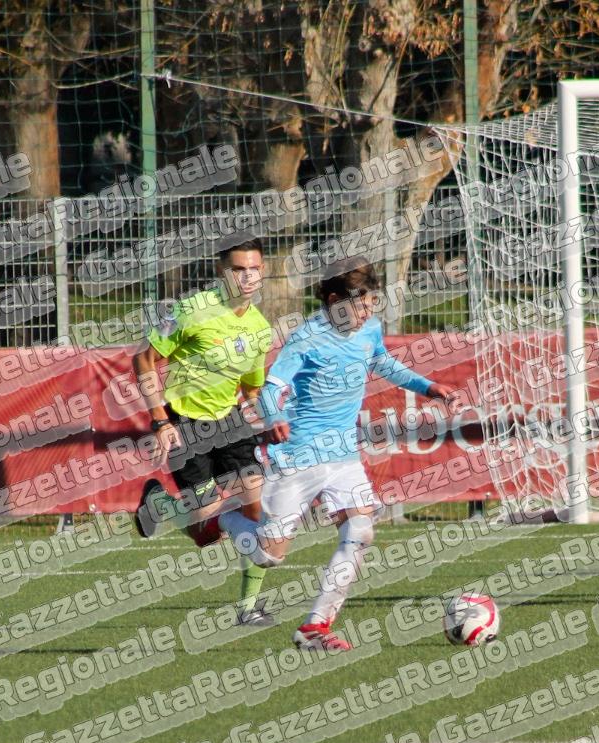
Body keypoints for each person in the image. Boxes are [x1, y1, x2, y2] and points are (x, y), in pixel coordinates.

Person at [221, 259, 460, 651]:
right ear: (334, 301)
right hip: (298, 455)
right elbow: (271, 387)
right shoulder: (306, 337)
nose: (367, 313)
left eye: (371, 305)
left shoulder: (369, 329)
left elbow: (381, 361)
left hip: (344, 457)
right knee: (268, 557)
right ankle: (224, 517)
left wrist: (427, 387)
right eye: (360, 305)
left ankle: (314, 627)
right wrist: (275, 416)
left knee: (360, 531)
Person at [131, 239, 275, 626]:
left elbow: (252, 388)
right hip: (185, 423)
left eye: (254, 269)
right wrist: (160, 421)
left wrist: (270, 414)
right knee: (207, 534)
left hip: (231, 421)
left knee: (257, 510)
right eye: (239, 270)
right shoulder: (192, 311)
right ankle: (159, 504)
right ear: (221, 272)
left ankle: (249, 608)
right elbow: (143, 358)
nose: (248, 277)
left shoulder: (260, 328)